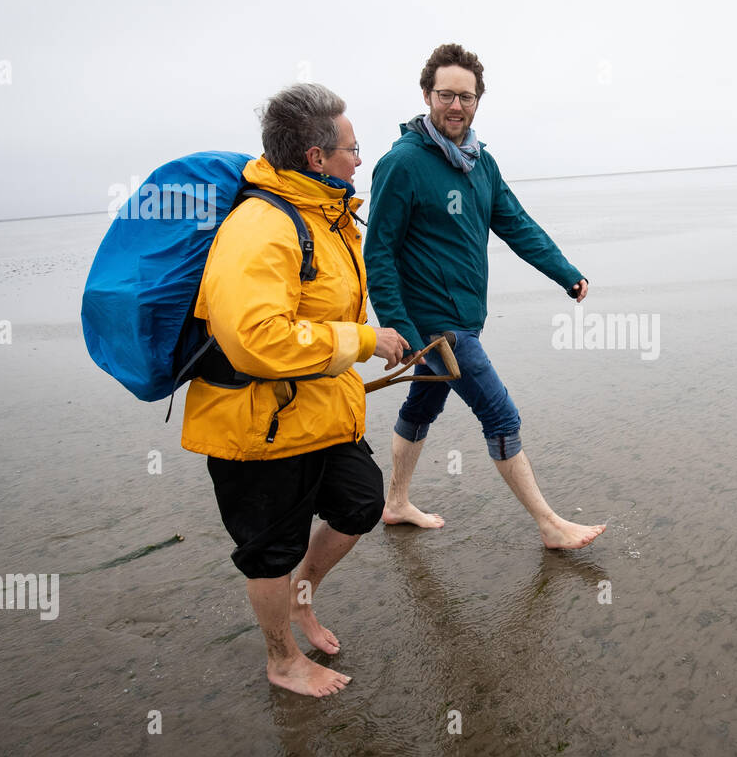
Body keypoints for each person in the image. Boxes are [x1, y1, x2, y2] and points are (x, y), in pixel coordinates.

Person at [182, 83, 409, 697]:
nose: (360, 160)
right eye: (353, 149)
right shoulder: (262, 226)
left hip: (316, 409)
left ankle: (301, 597)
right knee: (269, 554)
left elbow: (327, 304)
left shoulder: (326, 216)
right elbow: (256, 339)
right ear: (316, 158)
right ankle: (281, 659)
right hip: (255, 426)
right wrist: (362, 341)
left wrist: (373, 332)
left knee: (361, 504)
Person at [364, 43, 605, 550]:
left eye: (466, 97)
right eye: (447, 95)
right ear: (428, 95)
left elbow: (515, 222)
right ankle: (549, 524)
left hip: (465, 316)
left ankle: (396, 502)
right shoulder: (402, 164)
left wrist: (565, 273)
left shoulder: (481, 163)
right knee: (500, 415)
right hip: (436, 324)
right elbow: (379, 252)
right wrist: (399, 327)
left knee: (421, 406)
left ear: (478, 101)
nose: (457, 106)